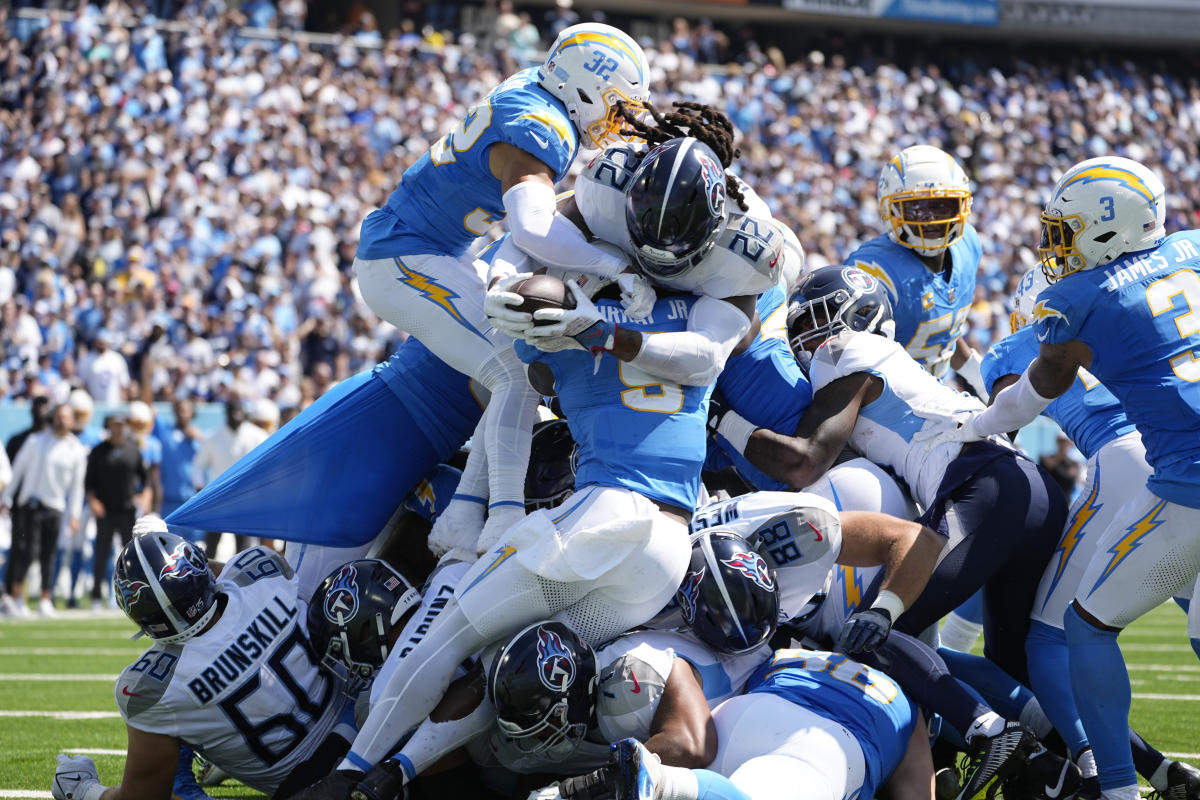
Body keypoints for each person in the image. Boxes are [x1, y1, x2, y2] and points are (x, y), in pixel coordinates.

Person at [294, 273, 722, 799]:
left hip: (604, 513)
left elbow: (519, 382)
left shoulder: (557, 342)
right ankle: (396, 772)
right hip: (670, 548)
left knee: (448, 637)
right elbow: (710, 345)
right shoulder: (694, 325)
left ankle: (352, 772)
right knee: (521, 661)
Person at [933, 156, 1200, 800]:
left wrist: (968, 424)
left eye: (1067, 231)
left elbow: (1016, 405)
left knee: (1068, 629)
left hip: (1156, 471)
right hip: (1165, 461)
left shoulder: (1067, 304)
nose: (1056, 247)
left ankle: (1104, 778)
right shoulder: (1190, 248)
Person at [353, 22, 650, 554]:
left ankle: (466, 512)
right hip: (403, 255)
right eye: (613, 103)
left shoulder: (538, 88)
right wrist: (617, 266)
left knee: (514, 366)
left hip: (434, 248)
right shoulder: (542, 126)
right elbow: (533, 227)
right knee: (514, 371)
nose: (617, 118)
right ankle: (500, 522)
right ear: (583, 87)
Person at [716, 265, 1068, 687]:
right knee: (1014, 663)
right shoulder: (900, 368)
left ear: (855, 315)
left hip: (983, 487)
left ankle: (985, 731)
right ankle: (1101, 756)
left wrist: (719, 419)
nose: (805, 336)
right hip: (1029, 485)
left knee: (875, 634)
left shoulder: (844, 349)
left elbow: (804, 461)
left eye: (813, 319)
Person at [981, 266, 1197, 799]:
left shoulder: (1016, 345)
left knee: (1053, 636)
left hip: (1122, 461)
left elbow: (1000, 427)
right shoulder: (1120, 314)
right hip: (1178, 457)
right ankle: (1165, 774)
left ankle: (1101, 770)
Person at [50, 529, 361, 800]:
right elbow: (219, 576)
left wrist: (82, 789)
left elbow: (142, 796)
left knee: (176, 717)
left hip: (307, 785)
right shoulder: (263, 571)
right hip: (365, 723)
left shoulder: (152, 688)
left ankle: (186, 781)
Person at [560, 646, 931, 800]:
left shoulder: (792, 655)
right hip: (821, 751)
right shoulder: (904, 707)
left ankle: (555, 794)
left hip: (743, 719)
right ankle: (659, 780)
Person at [846, 144, 987, 392]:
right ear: (889, 209)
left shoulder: (968, 245)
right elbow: (852, 372)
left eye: (943, 206)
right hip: (883, 400)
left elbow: (942, 332)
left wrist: (977, 374)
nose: (931, 219)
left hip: (937, 391)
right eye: (917, 209)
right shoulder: (873, 270)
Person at [0, 403, 86, 616]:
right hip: (31, 505)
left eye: (66, 417)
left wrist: (74, 514)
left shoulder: (76, 449)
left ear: (72, 420)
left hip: (55, 507)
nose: (61, 421)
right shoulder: (36, 441)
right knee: (27, 552)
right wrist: (7, 497)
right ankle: (16, 597)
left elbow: (77, 486)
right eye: (58, 416)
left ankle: (45, 598)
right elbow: (18, 469)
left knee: (49, 554)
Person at [84, 412, 148, 610]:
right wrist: (93, 502)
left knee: (130, 557)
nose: (118, 428)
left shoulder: (133, 449)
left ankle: (132, 597)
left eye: (121, 425)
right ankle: (96, 596)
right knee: (101, 554)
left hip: (127, 511)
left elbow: (145, 480)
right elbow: (88, 483)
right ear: (109, 426)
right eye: (114, 425)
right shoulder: (98, 451)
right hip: (105, 511)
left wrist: (143, 498)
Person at [191, 400, 268, 557]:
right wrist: (200, 487)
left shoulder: (257, 436)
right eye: (232, 411)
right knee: (211, 544)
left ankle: (240, 579)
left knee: (243, 546)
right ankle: (207, 577)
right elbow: (198, 465)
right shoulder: (214, 437)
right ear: (226, 413)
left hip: (246, 500)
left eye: (239, 410)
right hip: (218, 500)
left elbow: (269, 464)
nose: (236, 415)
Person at [154, 397, 204, 545]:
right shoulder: (165, 433)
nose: (183, 414)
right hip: (170, 503)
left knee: (196, 550)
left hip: (193, 503)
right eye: (180, 410)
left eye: (187, 410)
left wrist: (199, 439)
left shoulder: (199, 438)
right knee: (170, 549)